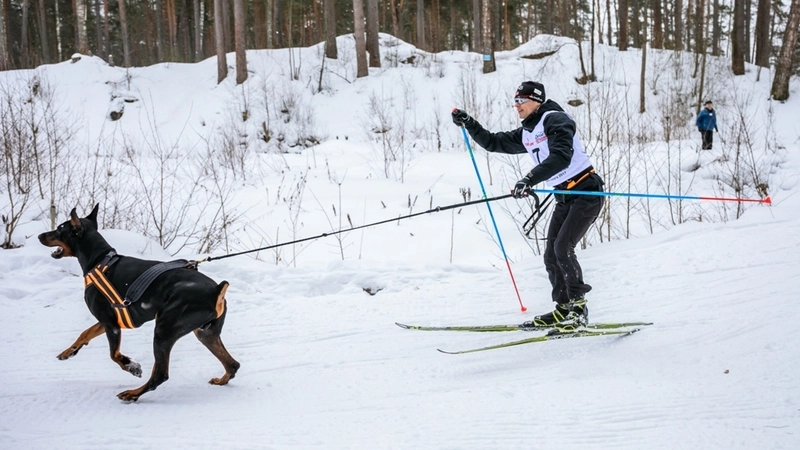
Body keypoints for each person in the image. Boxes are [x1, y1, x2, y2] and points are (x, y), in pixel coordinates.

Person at [451, 81, 605, 328]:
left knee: (564, 248)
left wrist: (530, 179)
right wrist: (470, 124)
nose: (517, 105)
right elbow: (494, 142)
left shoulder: (556, 120)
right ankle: (563, 308)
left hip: (586, 191)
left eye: (522, 100)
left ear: (537, 101)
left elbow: (561, 157)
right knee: (551, 255)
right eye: (515, 101)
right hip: (564, 196)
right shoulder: (528, 131)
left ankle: (579, 310)